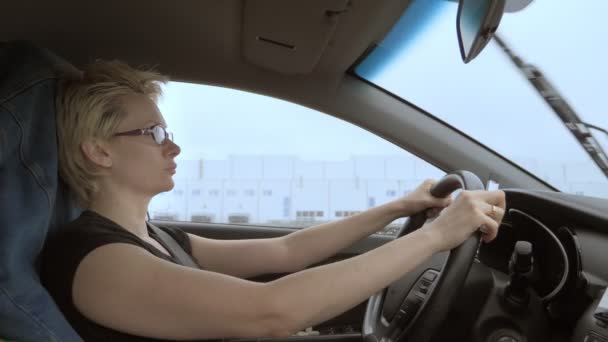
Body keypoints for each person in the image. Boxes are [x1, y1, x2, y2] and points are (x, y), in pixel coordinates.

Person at [41, 60, 506, 342]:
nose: (173, 147)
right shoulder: (96, 260)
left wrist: (399, 208)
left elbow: (286, 252)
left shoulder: (155, 237)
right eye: (154, 133)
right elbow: (272, 311)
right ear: (98, 150)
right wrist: (437, 235)